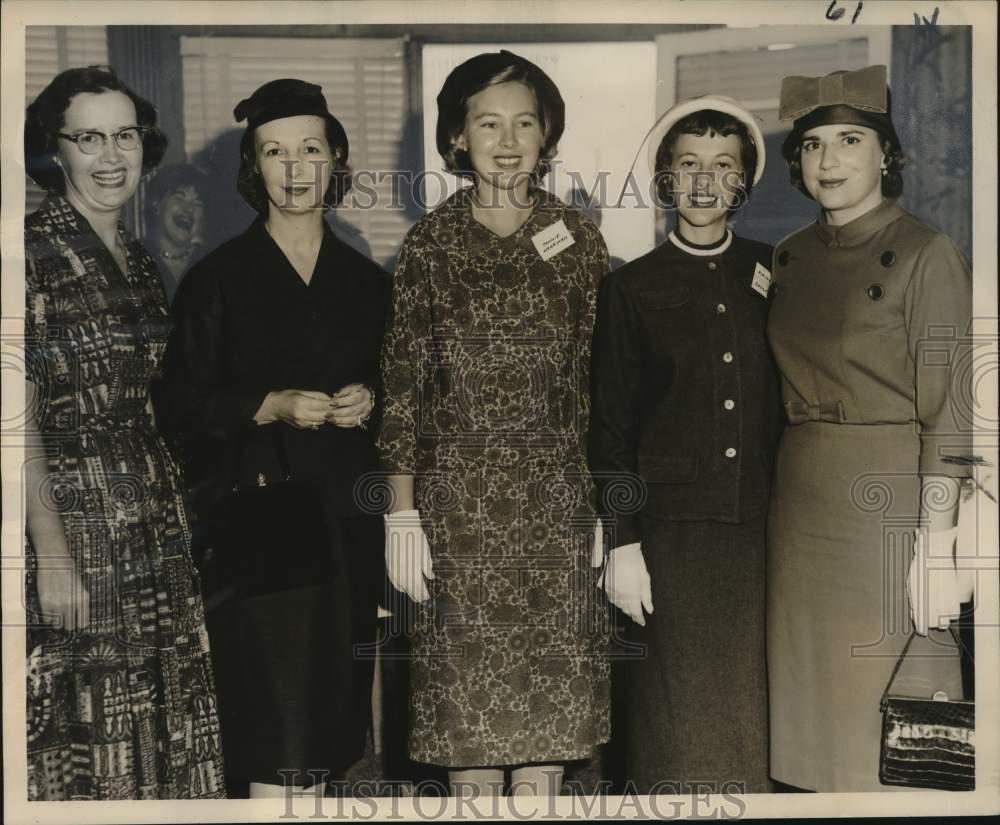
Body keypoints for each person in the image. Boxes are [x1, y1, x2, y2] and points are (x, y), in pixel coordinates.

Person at [378, 50, 610, 797]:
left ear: (547, 136)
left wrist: (611, 509)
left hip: (556, 514)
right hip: (458, 519)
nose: (507, 140)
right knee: (468, 738)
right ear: (456, 137)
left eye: (524, 122)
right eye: (487, 122)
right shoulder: (429, 245)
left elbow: (602, 384)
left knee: (546, 743)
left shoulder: (579, 242)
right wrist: (401, 513)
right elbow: (404, 387)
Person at [156, 79, 388, 798]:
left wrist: (369, 398)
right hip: (259, 533)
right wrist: (267, 403)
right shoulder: (217, 280)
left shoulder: (369, 280)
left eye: (310, 149)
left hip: (348, 526)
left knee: (329, 733)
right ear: (254, 169)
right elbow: (177, 406)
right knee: (276, 739)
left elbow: (404, 391)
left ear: (336, 159)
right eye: (274, 152)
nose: (294, 168)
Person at [766, 65, 972, 791]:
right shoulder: (787, 258)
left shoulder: (926, 252)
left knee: (878, 722)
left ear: (886, 155)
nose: (830, 160)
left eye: (850, 140)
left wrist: (939, 542)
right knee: (803, 717)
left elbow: (954, 405)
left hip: (887, 504)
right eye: (814, 144)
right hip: (800, 505)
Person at [22, 65, 225, 800]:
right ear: (54, 150)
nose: (111, 156)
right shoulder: (29, 254)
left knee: (161, 715)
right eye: (89, 138)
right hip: (73, 521)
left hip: (151, 520)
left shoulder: (139, 258)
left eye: (126, 136)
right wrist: (52, 555)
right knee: (86, 726)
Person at [588, 96, 780, 794]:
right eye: (688, 165)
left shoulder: (775, 271)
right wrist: (623, 541)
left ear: (744, 183)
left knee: (752, 718)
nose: (704, 182)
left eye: (723, 166)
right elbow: (610, 429)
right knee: (673, 723)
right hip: (669, 539)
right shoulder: (630, 287)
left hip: (761, 533)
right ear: (665, 180)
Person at [143, 163, 211, 304]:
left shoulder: (213, 262)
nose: (188, 209)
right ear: (156, 204)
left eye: (197, 203)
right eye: (179, 198)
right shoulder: (135, 256)